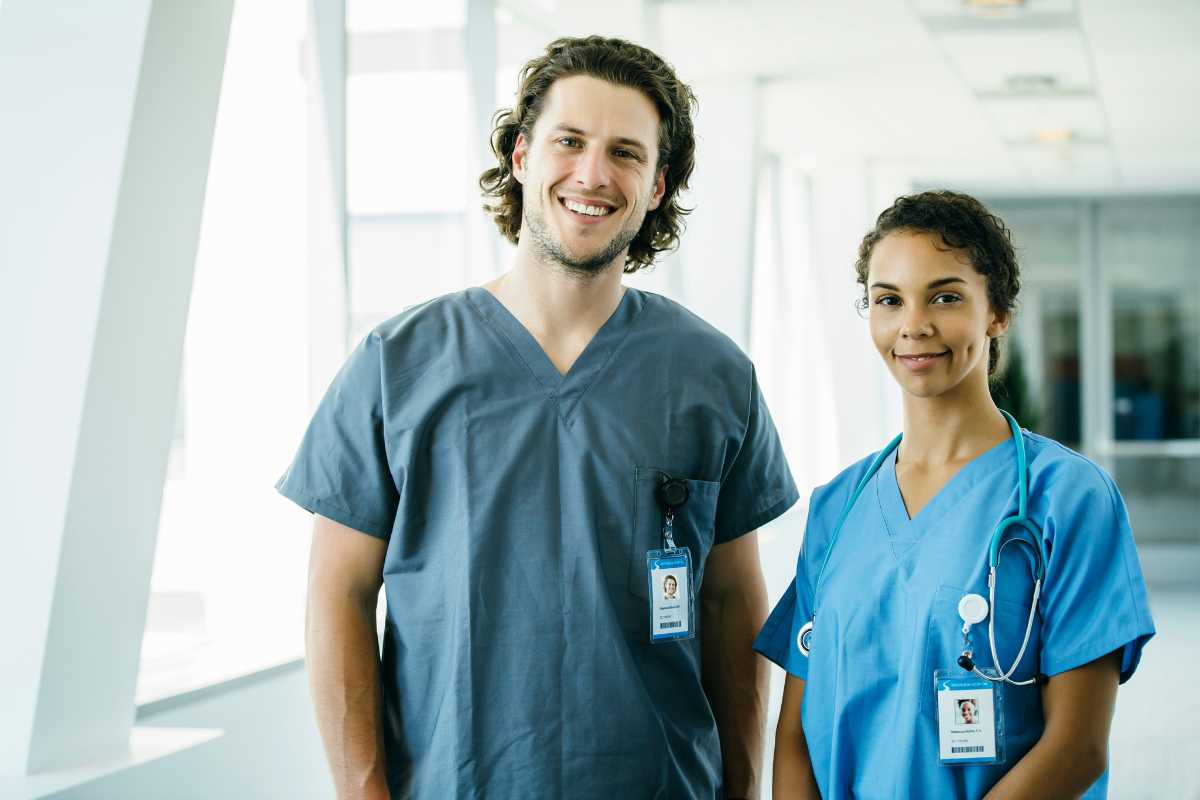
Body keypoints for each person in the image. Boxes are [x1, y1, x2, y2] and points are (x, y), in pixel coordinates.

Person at [279, 35, 798, 799]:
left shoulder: (713, 376)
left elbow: (730, 602)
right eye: (569, 141)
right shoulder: (397, 365)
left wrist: (743, 789)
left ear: (657, 185)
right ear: (522, 156)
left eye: (626, 153)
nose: (593, 174)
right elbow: (338, 595)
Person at [754, 191, 1155, 799]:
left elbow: (1077, 746)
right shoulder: (837, 507)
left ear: (997, 314)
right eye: (889, 300)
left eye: (945, 297)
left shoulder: (1068, 498)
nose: (913, 325)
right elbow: (795, 737)